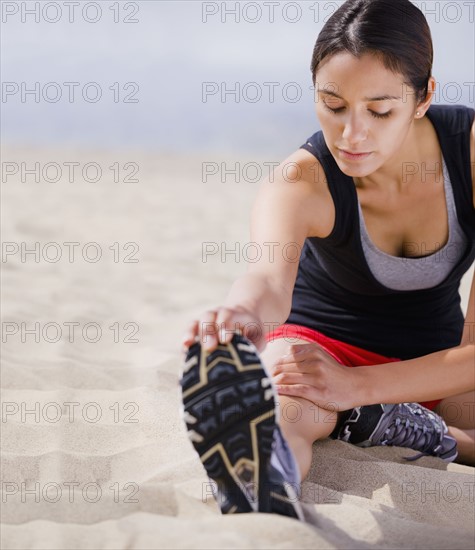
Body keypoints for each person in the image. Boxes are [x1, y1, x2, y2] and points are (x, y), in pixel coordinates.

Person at [180, 0, 475, 521]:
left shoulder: (469, 155)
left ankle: (397, 422)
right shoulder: (301, 180)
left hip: (439, 360)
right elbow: (267, 278)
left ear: (424, 96)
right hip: (321, 346)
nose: (351, 135)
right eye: (333, 105)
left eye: (379, 111)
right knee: (285, 407)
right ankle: (264, 488)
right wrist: (242, 315)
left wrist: (360, 388)